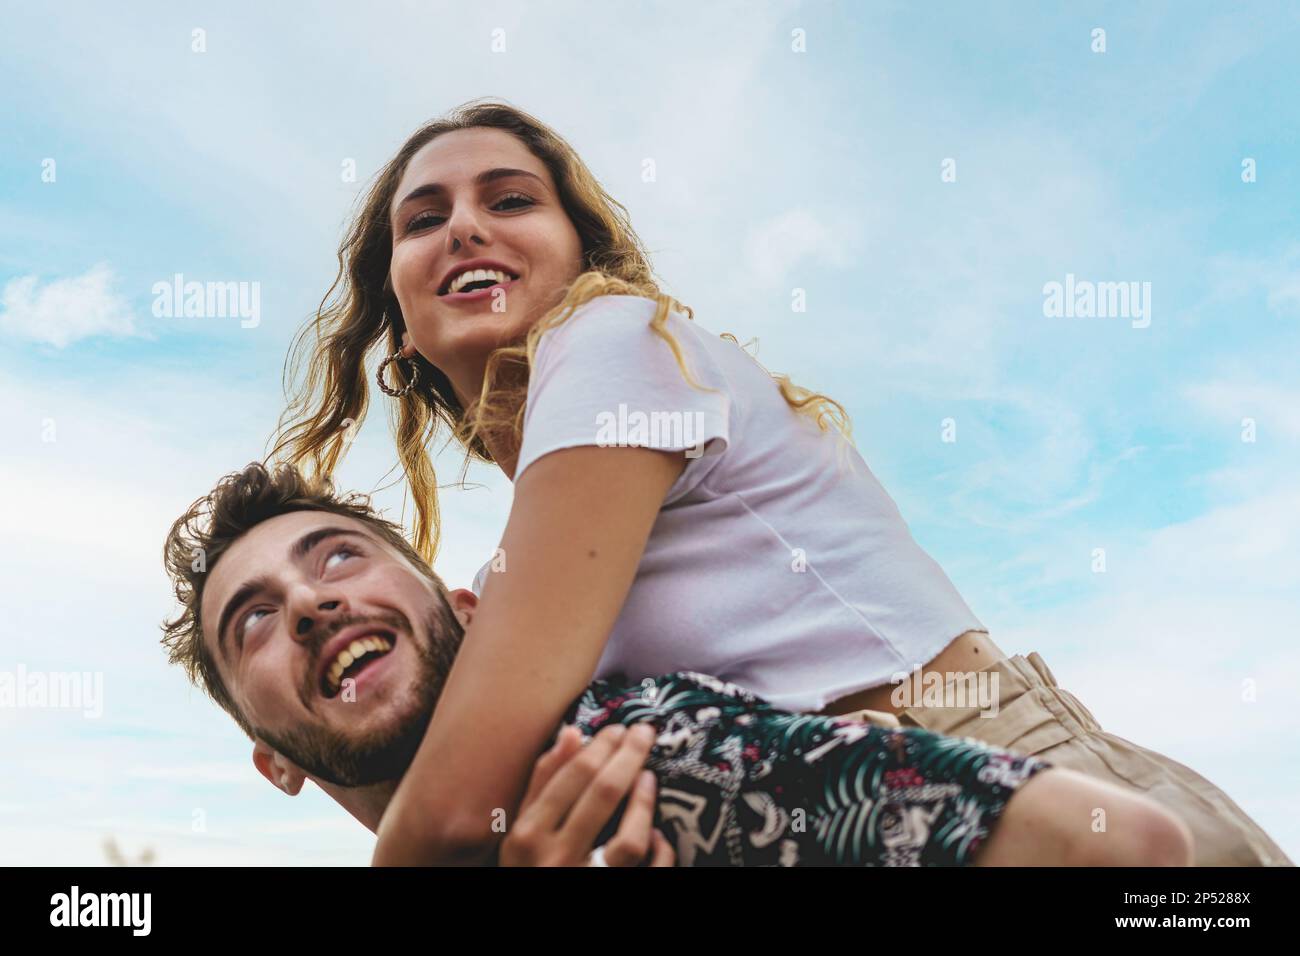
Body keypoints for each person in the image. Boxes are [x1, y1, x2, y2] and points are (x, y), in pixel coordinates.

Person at [270, 98, 1289, 866]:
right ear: (397, 319)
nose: (464, 228)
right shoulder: (541, 539)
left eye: (510, 200)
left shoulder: (610, 341)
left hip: (1017, 784)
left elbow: (450, 811)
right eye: (424, 218)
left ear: (582, 253)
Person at [160, 462, 1194, 866]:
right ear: (272, 761)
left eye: (338, 557)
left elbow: (1120, 850)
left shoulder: (638, 753)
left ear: (474, 614)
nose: (309, 603)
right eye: (251, 619)